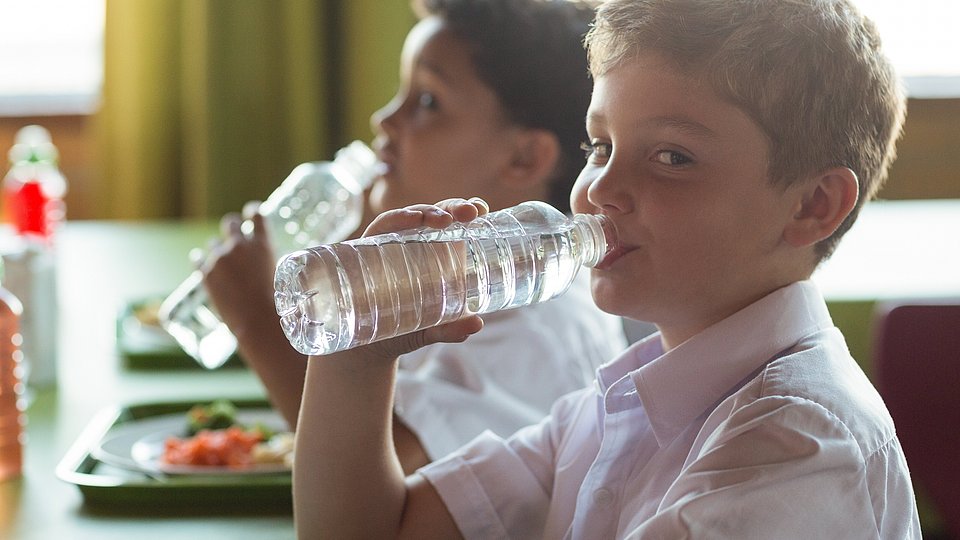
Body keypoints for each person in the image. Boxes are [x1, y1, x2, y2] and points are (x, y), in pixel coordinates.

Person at [292, 0, 922, 538]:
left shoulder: (800, 448)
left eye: (672, 157)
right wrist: (356, 356)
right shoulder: (613, 409)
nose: (600, 189)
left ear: (812, 206)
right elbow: (382, 529)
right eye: (601, 146)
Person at [201, 0, 626, 474]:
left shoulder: (536, 330)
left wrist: (258, 323)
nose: (384, 120)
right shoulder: (450, 276)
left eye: (427, 101)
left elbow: (389, 481)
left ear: (524, 159)